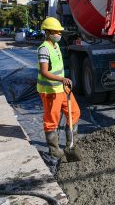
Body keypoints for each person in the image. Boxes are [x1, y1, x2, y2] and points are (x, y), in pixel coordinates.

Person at [37, 17, 80, 160]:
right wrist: (62, 79)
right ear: (48, 32)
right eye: (56, 31)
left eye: (59, 32)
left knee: (74, 112)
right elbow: (44, 72)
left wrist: (63, 82)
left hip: (62, 89)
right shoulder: (44, 48)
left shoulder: (55, 46)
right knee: (51, 120)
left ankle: (71, 146)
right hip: (50, 91)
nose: (59, 34)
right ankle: (54, 150)